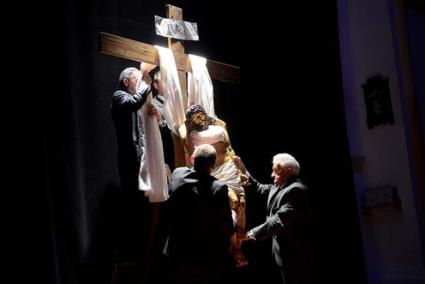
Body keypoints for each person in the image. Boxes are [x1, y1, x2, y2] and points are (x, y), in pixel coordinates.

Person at [184, 104, 248, 267]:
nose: (201, 118)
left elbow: (229, 148)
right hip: (215, 171)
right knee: (231, 202)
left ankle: (237, 246)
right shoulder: (191, 133)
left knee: (241, 204)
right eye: (196, 117)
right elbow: (191, 155)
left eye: (202, 114)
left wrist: (241, 169)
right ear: (191, 120)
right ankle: (235, 249)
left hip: (229, 167)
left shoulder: (219, 126)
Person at [235, 153, 313, 284]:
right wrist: (243, 169)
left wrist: (250, 234)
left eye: (276, 171)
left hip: (296, 257)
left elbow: (278, 220)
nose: (272, 175)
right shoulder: (279, 186)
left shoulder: (297, 191)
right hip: (282, 254)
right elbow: (258, 187)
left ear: (288, 171)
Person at [166, 144, 235, 284]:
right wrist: (233, 216)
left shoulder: (177, 174)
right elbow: (226, 228)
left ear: (192, 159)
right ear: (213, 164)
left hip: (176, 252)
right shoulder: (218, 188)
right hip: (201, 257)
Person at [111, 63, 158, 192]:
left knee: (144, 193)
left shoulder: (136, 102)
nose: (139, 83)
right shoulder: (119, 96)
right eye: (136, 80)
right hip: (128, 156)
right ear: (126, 82)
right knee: (132, 192)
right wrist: (145, 84)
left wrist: (155, 115)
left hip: (140, 152)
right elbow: (134, 102)